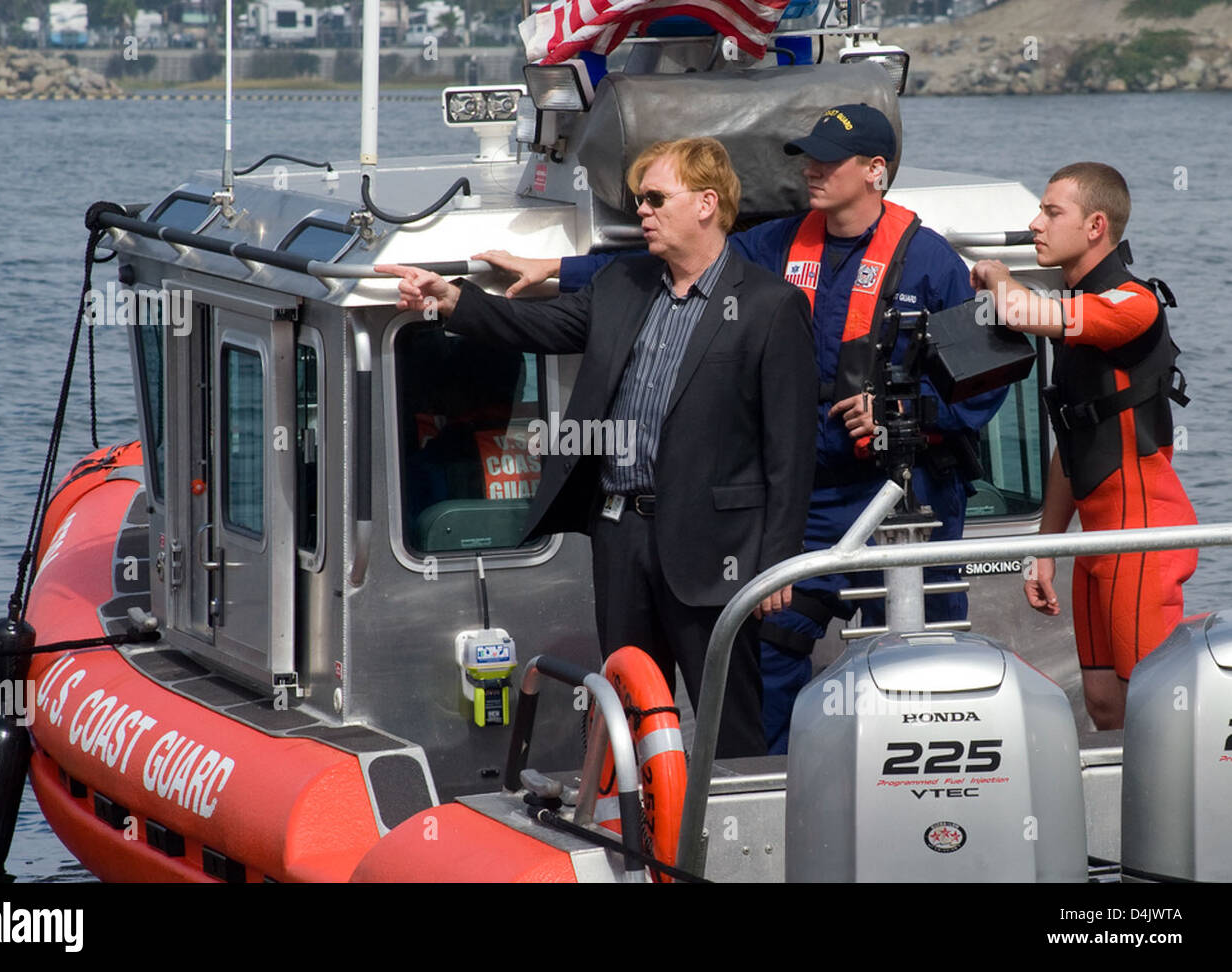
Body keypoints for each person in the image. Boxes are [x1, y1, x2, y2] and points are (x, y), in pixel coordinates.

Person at [477, 105, 1005, 753]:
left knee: (922, 658)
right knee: (772, 649)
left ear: (874, 172)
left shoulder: (934, 264)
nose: (809, 170)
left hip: (906, 499)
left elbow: (981, 384)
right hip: (808, 501)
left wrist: (903, 411)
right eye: (805, 157)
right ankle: (770, 804)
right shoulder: (776, 244)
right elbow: (670, 267)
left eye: (826, 160)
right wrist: (557, 272)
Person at [378, 137, 816, 757]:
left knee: (730, 719)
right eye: (640, 200)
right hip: (622, 534)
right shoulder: (625, 282)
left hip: (718, 548)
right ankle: (635, 835)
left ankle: (735, 844)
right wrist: (450, 299)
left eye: (657, 198)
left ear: (707, 204)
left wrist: (778, 559)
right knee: (629, 706)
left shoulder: (771, 307)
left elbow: (791, 449)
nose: (643, 211)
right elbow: (540, 326)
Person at [971, 162, 1196, 730]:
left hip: (1142, 533)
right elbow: (1072, 444)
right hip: (1098, 537)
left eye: (1051, 212)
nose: (1035, 224)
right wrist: (1046, 546)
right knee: (1102, 703)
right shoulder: (1075, 321)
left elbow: (1019, 309)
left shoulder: (1131, 303)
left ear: (1096, 225)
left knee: (1155, 707)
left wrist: (996, 273)